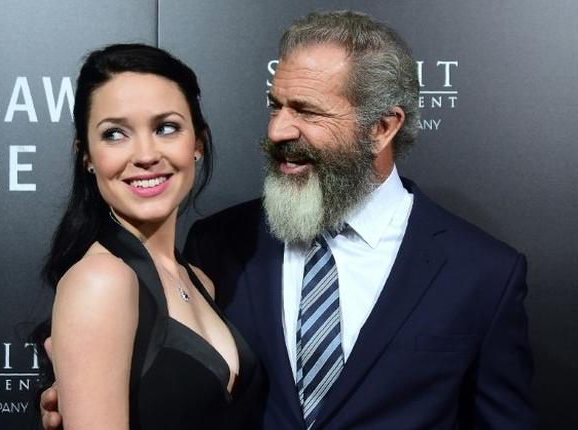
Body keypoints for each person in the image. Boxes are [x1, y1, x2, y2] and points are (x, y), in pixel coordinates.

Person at [42, 11, 536, 429]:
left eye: (307, 111)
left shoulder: (483, 273)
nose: (279, 129)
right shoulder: (219, 243)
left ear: (382, 128)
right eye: (275, 105)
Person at [35, 43, 264, 430]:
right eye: (114, 134)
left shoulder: (200, 277)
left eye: (166, 128)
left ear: (198, 143)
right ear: (86, 155)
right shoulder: (100, 282)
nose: (145, 154)